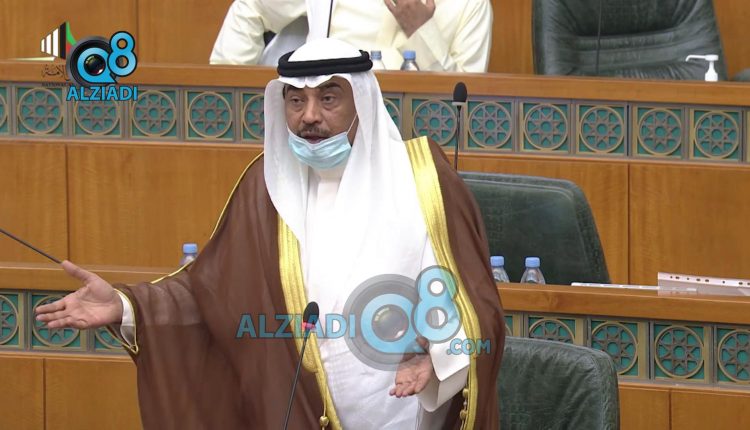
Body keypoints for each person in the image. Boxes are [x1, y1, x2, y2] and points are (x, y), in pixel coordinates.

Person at [36, 38, 504, 429]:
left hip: (403, 414)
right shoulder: (265, 188)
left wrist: (439, 360)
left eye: (328, 99)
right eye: (296, 101)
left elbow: (474, 303)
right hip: (297, 414)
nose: (309, 116)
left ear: (362, 101)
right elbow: (210, 294)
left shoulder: (422, 179)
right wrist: (125, 305)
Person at [210, 0, 493, 72]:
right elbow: (251, 8)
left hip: (417, 154)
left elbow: (466, 112)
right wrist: (233, 95)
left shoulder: (472, 6)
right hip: (326, 138)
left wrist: (423, 30)